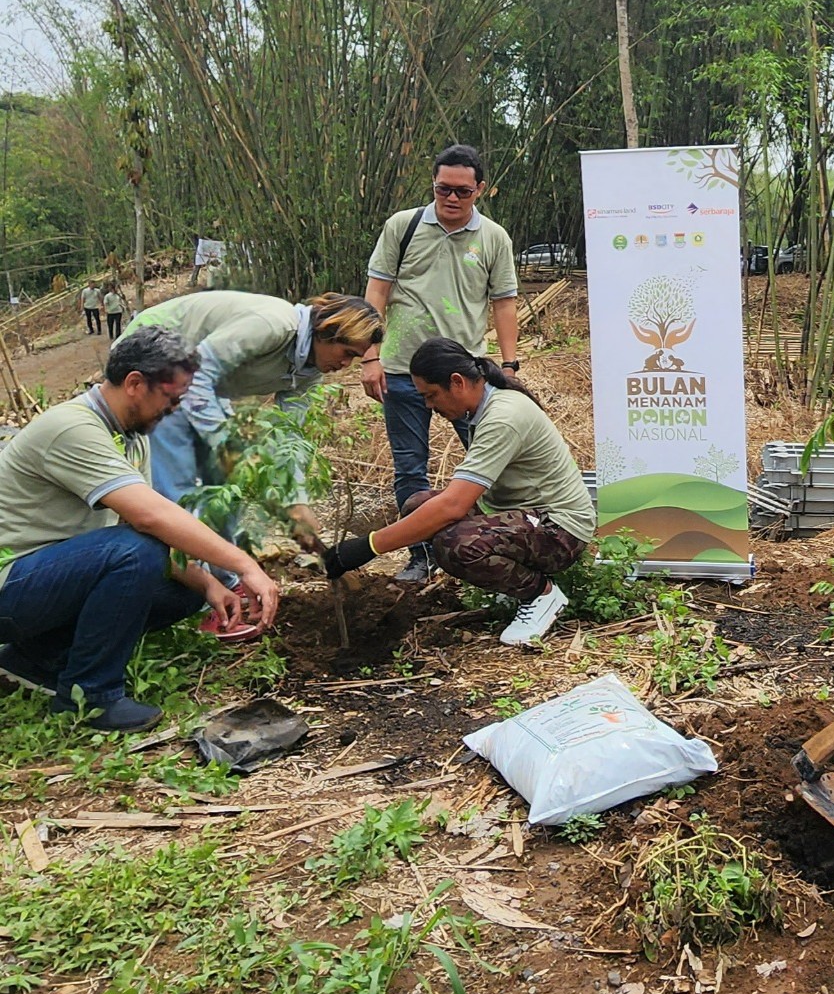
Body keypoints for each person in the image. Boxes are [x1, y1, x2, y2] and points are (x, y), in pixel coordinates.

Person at [0, 327, 282, 730]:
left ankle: (35, 657)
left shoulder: (131, 435)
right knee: (135, 551)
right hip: (9, 583)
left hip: (46, 580)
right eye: (170, 399)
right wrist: (245, 565)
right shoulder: (71, 427)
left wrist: (207, 585)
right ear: (135, 383)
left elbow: (141, 526)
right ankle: (90, 697)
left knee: (186, 585)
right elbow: (149, 518)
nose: (173, 410)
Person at [323, 339, 590, 647]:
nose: (429, 406)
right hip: (524, 516)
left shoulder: (503, 417)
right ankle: (513, 588)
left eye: (431, 395)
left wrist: (367, 547)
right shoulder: (484, 409)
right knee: (418, 506)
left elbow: (453, 505)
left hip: (558, 530)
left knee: (455, 544)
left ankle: (540, 595)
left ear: (457, 382)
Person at [362, 144, 519, 582]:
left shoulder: (493, 238)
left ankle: (493, 544)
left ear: (480, 190)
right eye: (443, 189)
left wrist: (509, 366)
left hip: (463, 375)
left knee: (487, 460)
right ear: (433, 185)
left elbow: (504, 303)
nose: (451, 199)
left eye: (462, 192)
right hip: (399, 368)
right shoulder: (402, 226)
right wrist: (370, 355)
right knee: (410, 465)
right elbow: (376, 292)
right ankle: (422, 555)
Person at [131, 291, 384, 559]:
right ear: (327, 330)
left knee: (229, 487)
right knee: (182, 481)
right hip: (155, 357)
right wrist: (229, 447)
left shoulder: (309, 373)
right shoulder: (273, 325)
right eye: (347, 353)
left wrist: (295, 503)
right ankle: (192, 576)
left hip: (198, 381)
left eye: (354, 359)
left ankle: (226, 575)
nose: (345, 365)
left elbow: (288, 436)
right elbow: (196, 372)